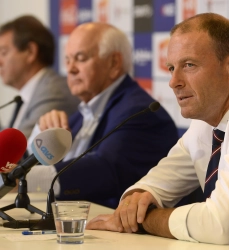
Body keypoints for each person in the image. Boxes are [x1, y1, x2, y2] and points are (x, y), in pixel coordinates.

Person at [86, 13, 229, 250]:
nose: (174, 81)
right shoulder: (207, 122)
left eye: (189, 65)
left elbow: (221, 225)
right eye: (170, 68)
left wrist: (146, 219)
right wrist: (136, 199)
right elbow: (157, 183)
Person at [25, 22, 178, 209]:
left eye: (80, 58)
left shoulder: (138, 112)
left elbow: (104, 170)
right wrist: (40, 135)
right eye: (67, 60)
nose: (70, 69)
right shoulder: (82, 114)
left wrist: (23, 180)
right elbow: (50, 163)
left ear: (114, 63)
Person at [0, 15, 79, 138]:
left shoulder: (53, 92)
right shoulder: (27, 96)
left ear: (30, 52)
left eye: (3, 53)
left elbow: (19, 154)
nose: (0, 62)